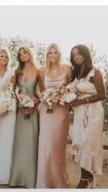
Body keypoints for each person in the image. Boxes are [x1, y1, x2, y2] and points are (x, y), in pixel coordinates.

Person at [68, 44, 106, 188]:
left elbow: (102, 94)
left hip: (94, 112)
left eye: (79, 53)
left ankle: (85, 179)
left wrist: (81, 101)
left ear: (85, 54)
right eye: (73, 54)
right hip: (79, 113)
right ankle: (88, 175)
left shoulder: (95, 72)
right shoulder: (76, 74)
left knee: (89, 143)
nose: (76, 56)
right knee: (81, 143)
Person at [36, 43, 72, 188]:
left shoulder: (68, 69)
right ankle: (45, 181)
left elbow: (71, 88)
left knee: (58, 146)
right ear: (47, 55)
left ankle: (59, 180)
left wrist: (64, 98)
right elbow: (41, 91)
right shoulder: (41, 71)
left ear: (59, 54)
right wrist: (45, 99)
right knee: (46, 145)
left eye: (55, 52)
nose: (52, 55)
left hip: (61, 112)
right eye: (50, 53)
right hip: (46, 111)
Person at [9, 47, 39, 188]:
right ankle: (18, 178)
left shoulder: (38, 71)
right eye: (20, 54)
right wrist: (20, 103)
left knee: (32, 143)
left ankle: (30, 179)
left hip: (33, 111)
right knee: (20, 143)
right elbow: (13, 91)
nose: (23, 56)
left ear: (30, 53)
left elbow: (42, 92)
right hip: (20, 111)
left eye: (25, 52)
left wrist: (34, 105)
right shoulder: (17, 71)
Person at [0, 48, 16, 185]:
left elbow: (13, 93)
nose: (4, 58)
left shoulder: (12, 73)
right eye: (1, 56)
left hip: (9, 112)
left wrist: (6, 107)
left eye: (6, 56)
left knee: (7, 143)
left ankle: (6, 176)